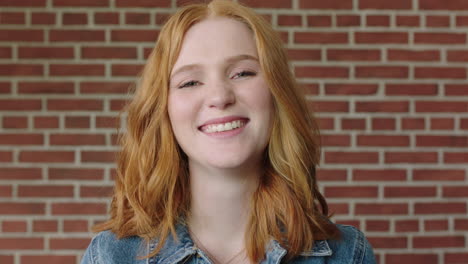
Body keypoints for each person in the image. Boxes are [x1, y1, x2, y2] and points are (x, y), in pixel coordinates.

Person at [81, 0, 376, 263]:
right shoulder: (110, 256)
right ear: (163, 111)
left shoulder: (348, 255)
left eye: (242, 73)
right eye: (190, 82)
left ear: (277, 94)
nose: (220, 97)